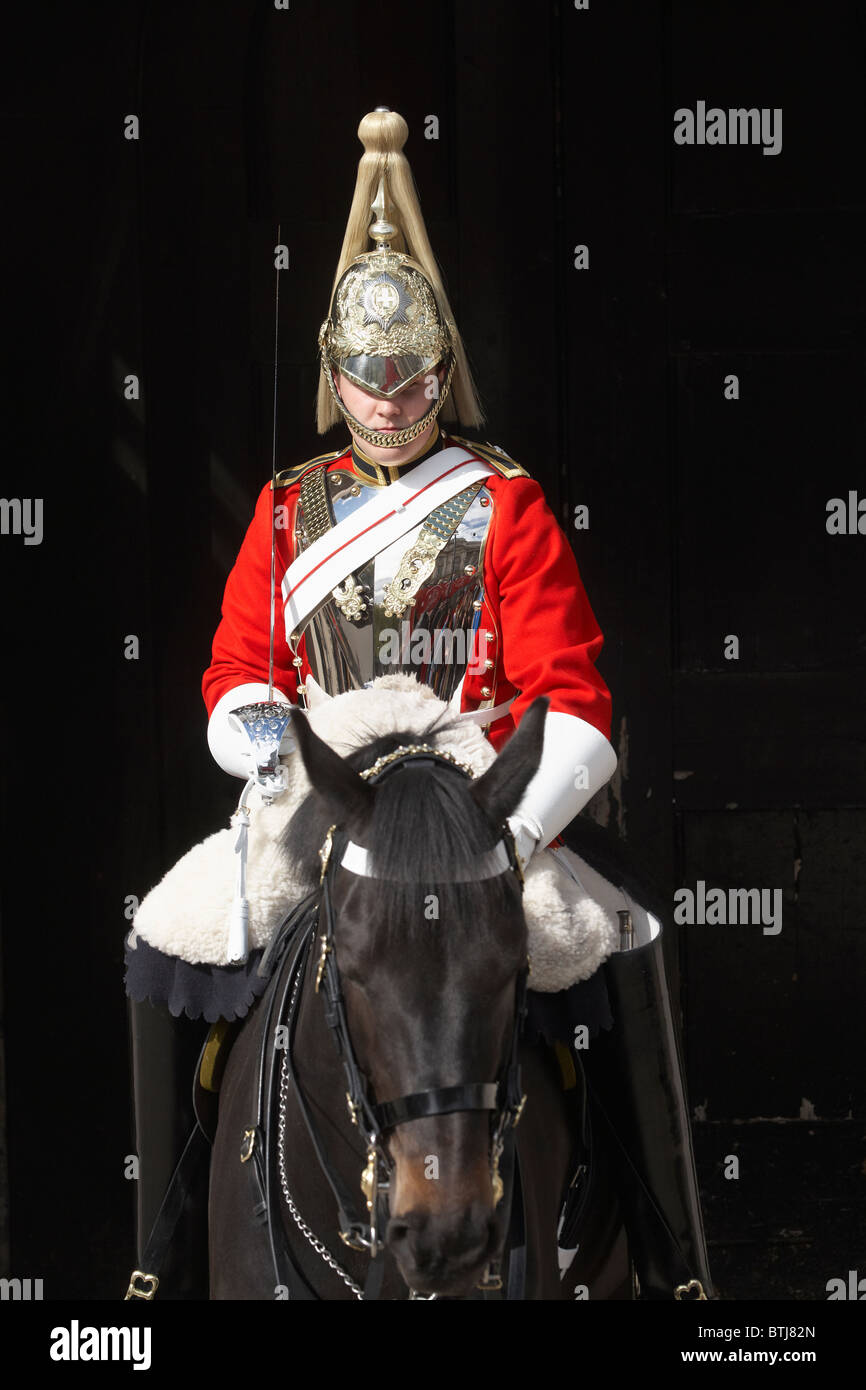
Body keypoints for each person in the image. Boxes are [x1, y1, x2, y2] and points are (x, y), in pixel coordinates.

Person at [126, 106, 712, 1301]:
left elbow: (576, 696)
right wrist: (267, 743)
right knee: (166, 930)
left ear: (441, 368)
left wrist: (507, 826)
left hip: (479, 801)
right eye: (364, 378)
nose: (387, 402)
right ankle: (162, 1255)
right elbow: (237, 668)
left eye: (408, 378)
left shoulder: (504, 504)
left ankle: (674, 1258)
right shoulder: (289, 509)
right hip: (328, 800)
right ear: (333, 374)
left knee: (616, 940)